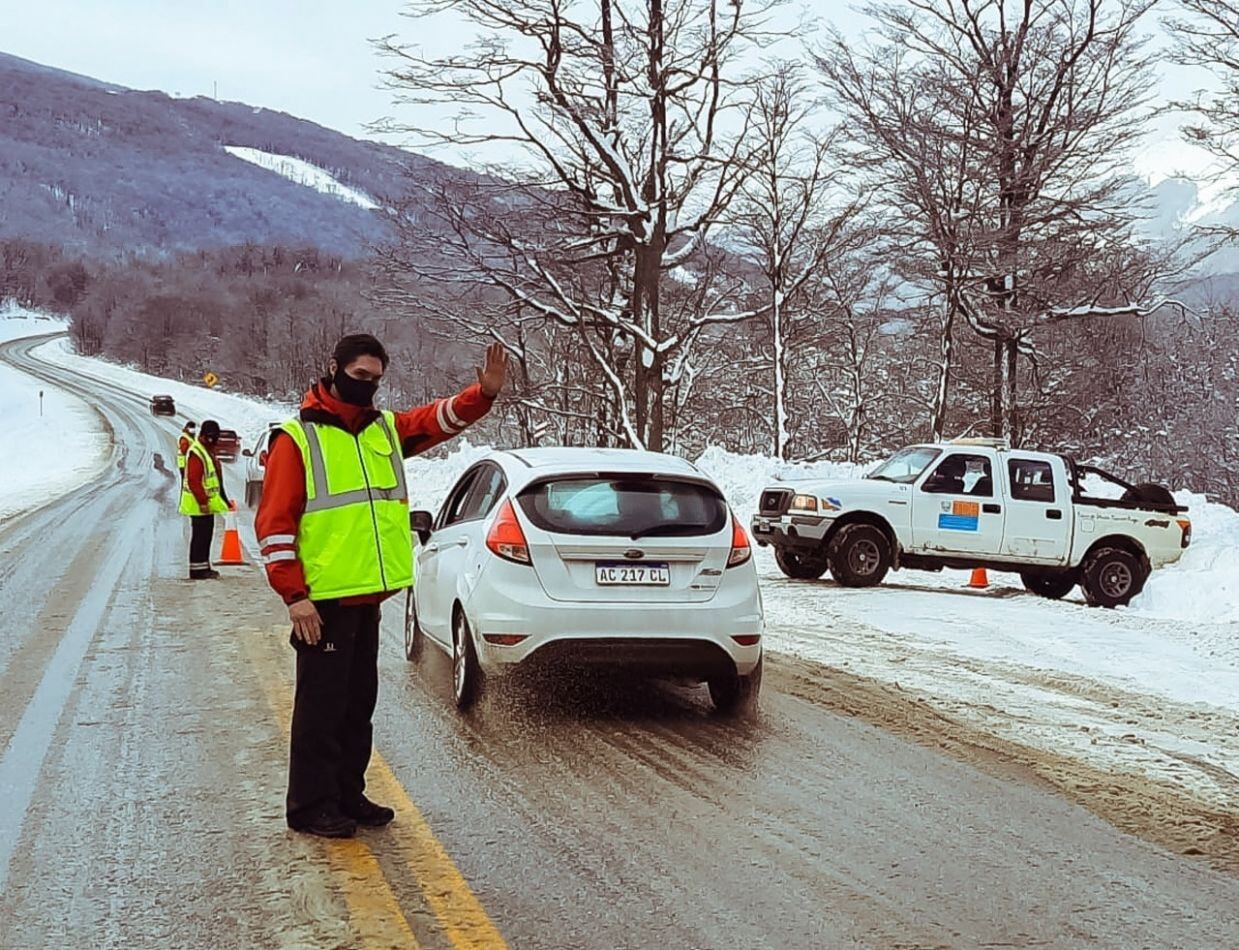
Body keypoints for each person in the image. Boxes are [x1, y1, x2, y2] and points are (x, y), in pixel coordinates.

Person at [256, 333, 506, 838]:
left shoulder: (383, 431)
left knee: (356, 706)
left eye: (375, 379)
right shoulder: (296, 439)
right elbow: (275, 525)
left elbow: (436, 420)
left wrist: (483, 394)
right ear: (334, 368)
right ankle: (309, 805)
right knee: (319, 711)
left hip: (368, 597)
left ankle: (348, 793)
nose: (366, 386)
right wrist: (295, 597)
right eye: (359, 376)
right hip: (322, 602)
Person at [180, 420, 231, 579]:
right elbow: (194, 480)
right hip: (198, 504)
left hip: (204, 504)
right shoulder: (197, 452)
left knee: (206, 536)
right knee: (200, 537)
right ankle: (197, 570)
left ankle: (203, 566)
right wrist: (202, 502)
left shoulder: (205, 450)